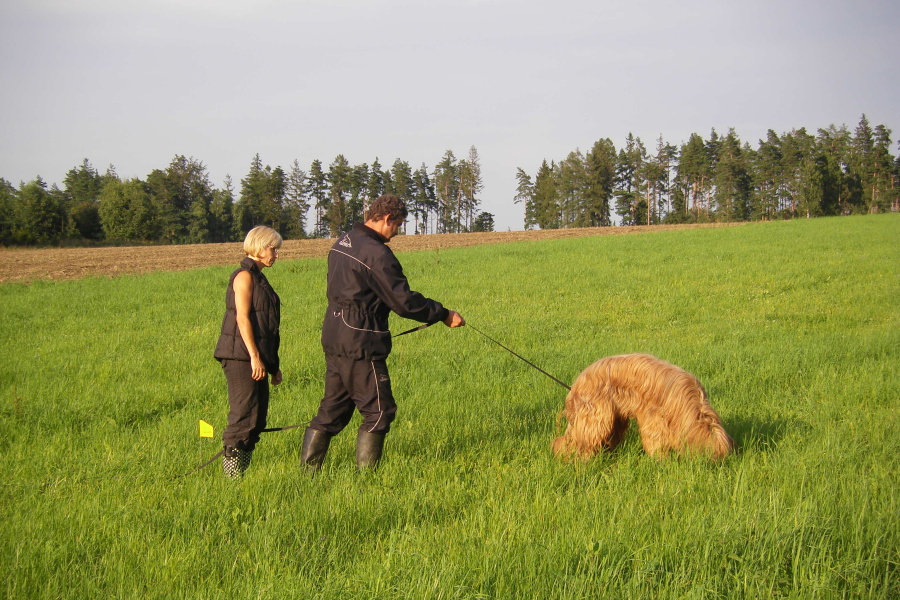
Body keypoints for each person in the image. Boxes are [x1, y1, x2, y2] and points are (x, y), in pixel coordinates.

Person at [301, 194, 465, 471]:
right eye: (398, 225)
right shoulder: (376, 253)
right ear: (387, 219)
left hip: (334, 333)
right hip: (361, 340)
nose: (397, 232)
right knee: (379, 412)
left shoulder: (344, 241)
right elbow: (403, 301)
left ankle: (307, 474)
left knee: (332, 409)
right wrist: (443, 314)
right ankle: (367, 481)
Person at [214, 225, 283, 478]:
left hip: (255, 358)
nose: (276, 255)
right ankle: (232, 479)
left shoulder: (259, 278)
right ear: (260, 246)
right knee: (243, 416)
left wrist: (273, 366)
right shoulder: (243, 276)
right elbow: (242, 319)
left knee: (256, 419)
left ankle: (240, 475)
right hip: (240, 357)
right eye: (273, 249)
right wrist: (254, 357)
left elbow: (267, 326)